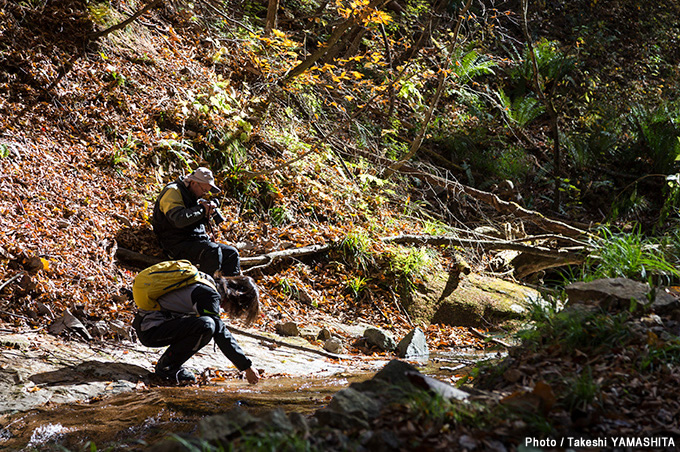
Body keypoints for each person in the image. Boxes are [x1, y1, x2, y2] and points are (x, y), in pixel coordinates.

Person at [132, 272, 261, 385]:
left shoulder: (208, 283)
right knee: (207, 326)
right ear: (237, 298)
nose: (231, 311)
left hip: (147, 323)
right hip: (149, 329)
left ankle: (169, 364)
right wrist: (247, 367)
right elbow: (220, 333)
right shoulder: (209, 295)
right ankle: (167, 367)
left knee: (207, 324)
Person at [152, 167, 240, 277]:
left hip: (194, 241)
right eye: (204, 190)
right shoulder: (173, 191)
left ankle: (231, 289)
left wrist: (206, 213)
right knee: (212, 251)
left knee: (231, 253)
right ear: (193, 183)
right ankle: (206, 288)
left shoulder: (194, 196)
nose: (205, 193)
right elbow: (178, 220)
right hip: (175, 243)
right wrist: (202, 209)